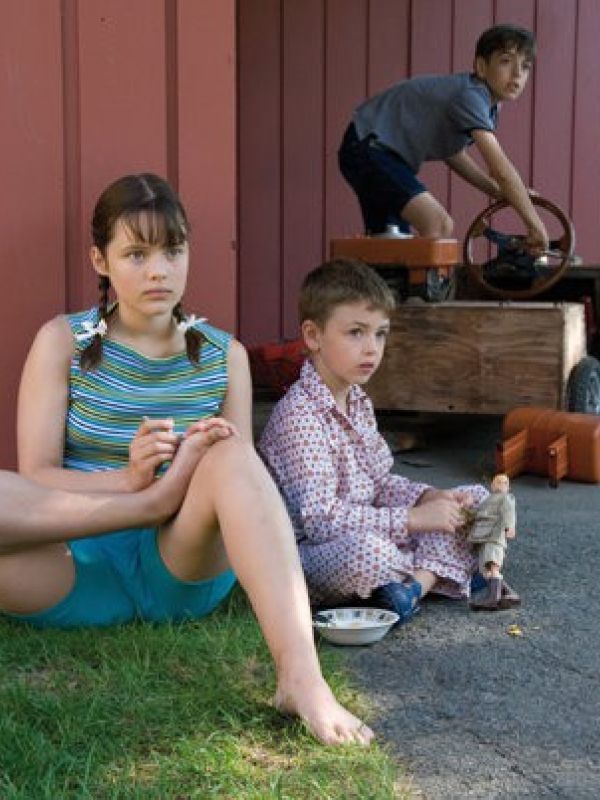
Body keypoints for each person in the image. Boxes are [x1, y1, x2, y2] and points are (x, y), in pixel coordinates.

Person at [4, 173, 373, 747]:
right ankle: (152, 499)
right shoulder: (63, 341)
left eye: (172, 250)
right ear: (99, 260)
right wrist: (135, 486)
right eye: (136, 253)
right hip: (71, 565)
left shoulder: (224, 355)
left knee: (228, 453)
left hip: (177, 565)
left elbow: (244, 485)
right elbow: (35, 480)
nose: (158, 270)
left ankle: (301, 676)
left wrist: (183, 484)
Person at [259, 258, 488, 621]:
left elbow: (379, 483)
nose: (372, 348)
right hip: (315, 553)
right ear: (313, 336)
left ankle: (412, 585)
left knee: (477, 500)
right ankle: (434, 572)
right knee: (372, 553)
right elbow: (321, 522)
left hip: (374, 524)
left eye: (380, 333)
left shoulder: (357, 400)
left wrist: (429, 498)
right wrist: (413, 520)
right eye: (356, 332)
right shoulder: (299, 417)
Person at [338, 24, 548, 254]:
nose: (518, 74)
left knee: (389, 245)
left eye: (526, 66)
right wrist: (535, 226)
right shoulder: (471, 96)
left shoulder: (489, 106)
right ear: (481, 66)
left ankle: (378, 288)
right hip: (368, 148)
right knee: (438, 224)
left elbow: (453, 152)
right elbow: (502, 170)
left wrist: (497, 192)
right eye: (506, 62)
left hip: (376, 153)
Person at [467, 473, 520, 611]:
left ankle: (493, 599)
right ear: (491, 485)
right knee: (485, 571)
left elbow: (509, 513)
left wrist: (510, 527)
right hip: (483, 536)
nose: (501, 485)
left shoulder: (506, 498)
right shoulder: (487, 501)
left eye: (505, 483)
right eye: (498, 482)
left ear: (508, 487)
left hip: (495, 536)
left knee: (492, 564)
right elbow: (478, 514)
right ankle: (510, 594)